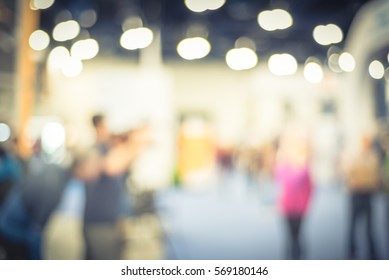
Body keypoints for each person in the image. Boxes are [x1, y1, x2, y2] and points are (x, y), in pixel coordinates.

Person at [83, 114, 147, 259]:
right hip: (99, 224)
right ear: (99, 127)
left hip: (112, 221)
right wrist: (135, 143)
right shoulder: (96, 150)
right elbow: (111, 166)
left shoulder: (111, 148)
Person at [274, 126, 313, 259]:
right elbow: (278, 176)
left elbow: (306, 186)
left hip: (297, 208)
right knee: (290, 239)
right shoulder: (287, 166)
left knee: (295, 238)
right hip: (288, 207)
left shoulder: (302, 168)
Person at [342, 135, 379, 259]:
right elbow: (349, 175)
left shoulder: (373, 157)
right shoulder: (355, 157)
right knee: (353, 224)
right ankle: (351, 250)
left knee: (369, 226)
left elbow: (375, 177)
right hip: (356, 194)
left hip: (367, 195)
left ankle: (372, 252)